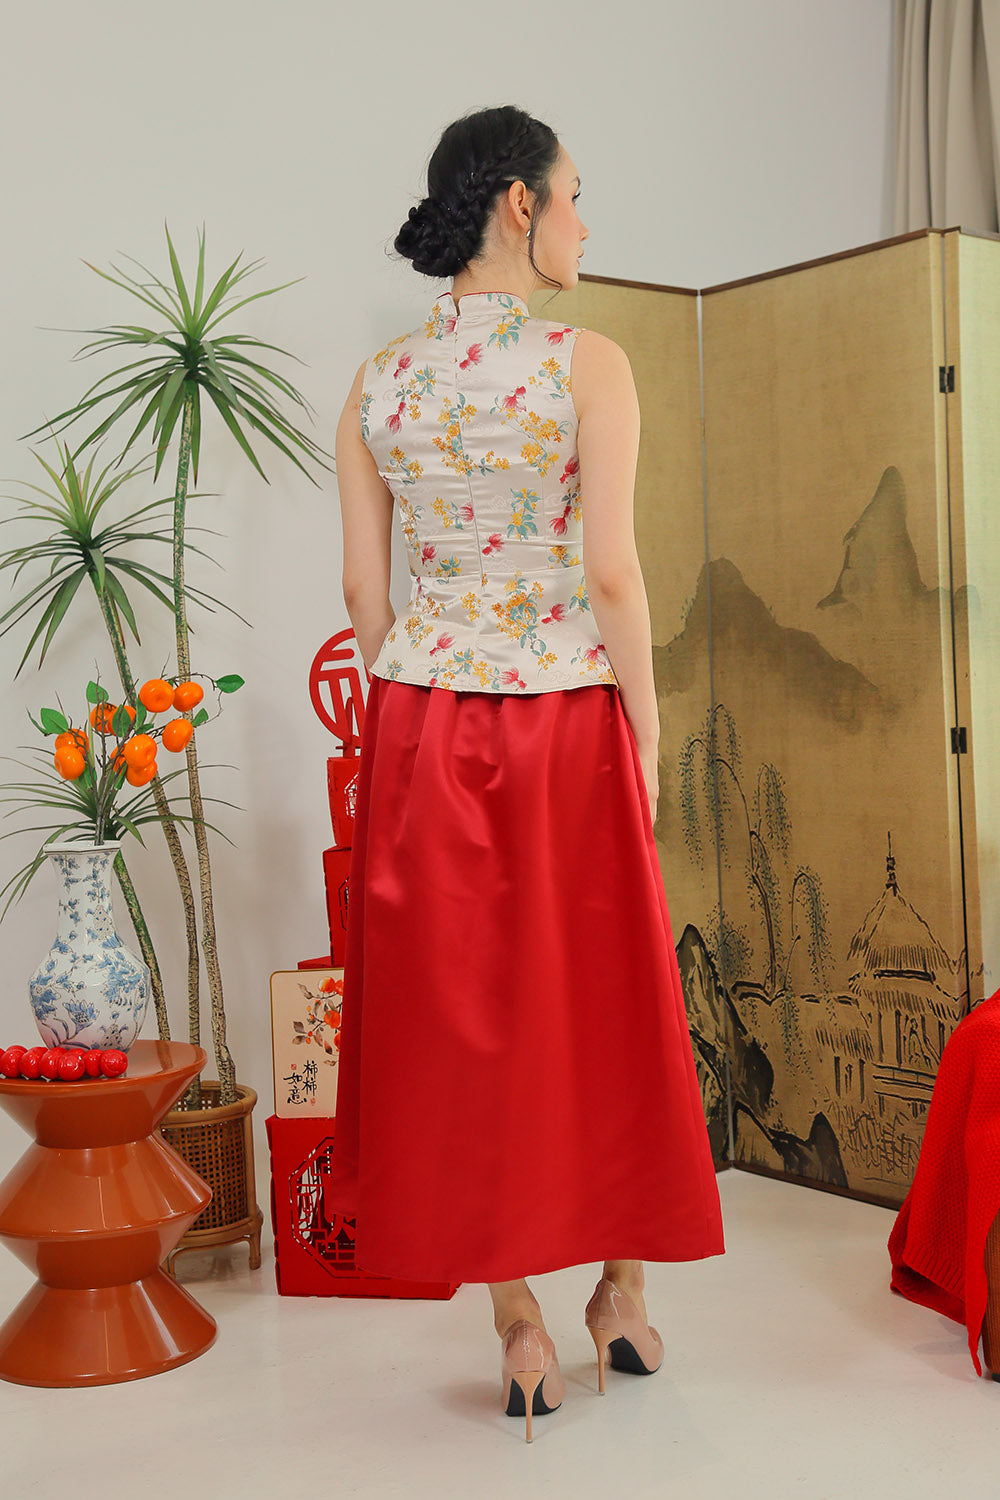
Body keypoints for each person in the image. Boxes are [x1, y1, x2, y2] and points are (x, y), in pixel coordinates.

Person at [326, 104, 725, 1441]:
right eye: (574, 196)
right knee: (602, 998)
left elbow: (364, 593)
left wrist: (419, 690)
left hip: (423, 725)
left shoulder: (377, 382)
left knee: (465, 1015)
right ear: (518, 205)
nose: (585, 226)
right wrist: (646, 725)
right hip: (562, 719)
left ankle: (517, 1321)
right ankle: (623, 1293)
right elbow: (611, 570)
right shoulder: (585, 364)